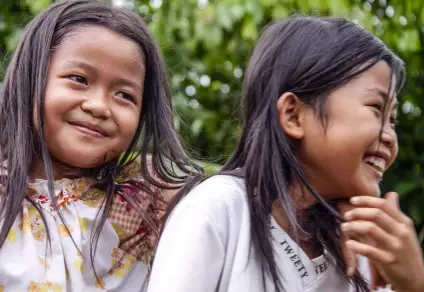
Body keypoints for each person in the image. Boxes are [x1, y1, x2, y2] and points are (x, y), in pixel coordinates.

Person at [147, 17, 424, 292]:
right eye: (376, 108)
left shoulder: (362, 249)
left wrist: (413, 283)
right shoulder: (219, 210)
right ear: (293, 115)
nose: (389, 136)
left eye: (393, 120)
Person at [0, 0, 200, 291]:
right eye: (78, 78)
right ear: (32, 80)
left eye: (124, 95)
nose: (99, 106)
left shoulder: (144, 202)